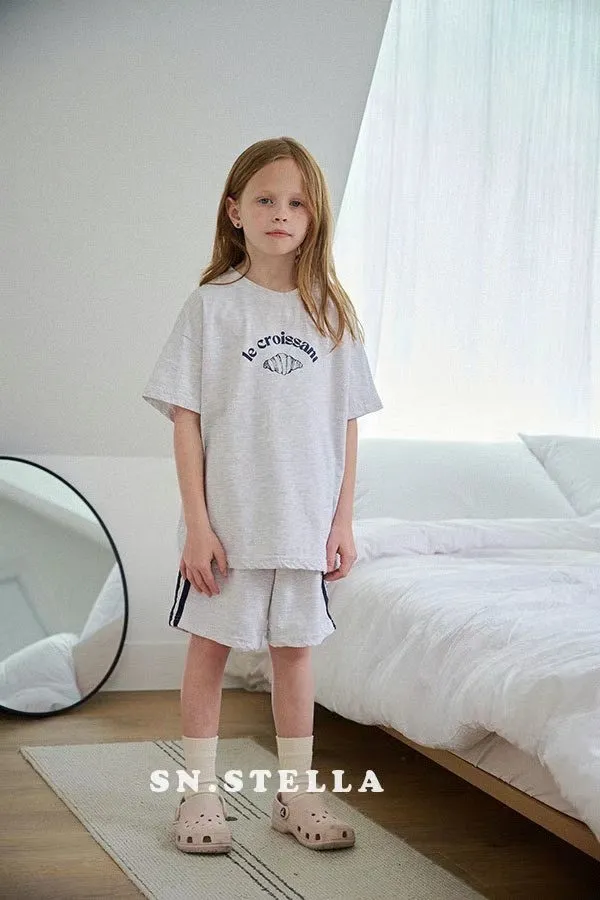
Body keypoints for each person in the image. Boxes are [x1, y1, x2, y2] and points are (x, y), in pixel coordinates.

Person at [142, 136, 383, 855]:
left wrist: (342, 521)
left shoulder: (332, 314)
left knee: (295, 655)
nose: (282, 213)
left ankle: (295, 794)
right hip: (229, 527)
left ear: (315, 217)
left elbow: (347, 424)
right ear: (235, 211)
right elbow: (186, 421)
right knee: (209, 651)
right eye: (266, 199)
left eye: (297, 203)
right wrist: (197, 525)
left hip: (303, 525)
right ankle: (199, 796)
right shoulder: (212, 308)